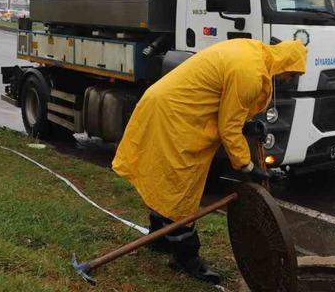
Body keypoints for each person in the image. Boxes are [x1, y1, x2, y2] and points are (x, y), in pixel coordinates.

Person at [112, 39, 307, 284]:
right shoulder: (250, 72)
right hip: (176, 116)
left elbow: (226, 98)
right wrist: (246, 166)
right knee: (179, 189)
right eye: (292, 75)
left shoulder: (253, 52)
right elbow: (228, 127)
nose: (289, 80)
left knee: (165, 180)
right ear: (286, 66)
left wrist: (247, 121)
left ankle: (160, 237)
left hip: (168, 105)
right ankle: (185, 258)